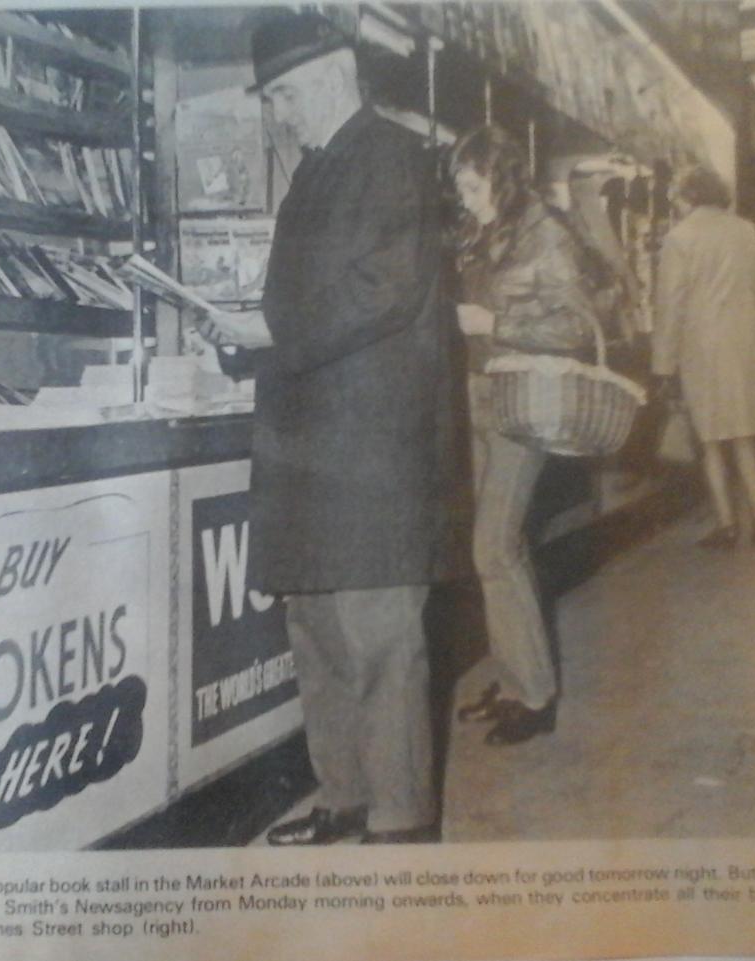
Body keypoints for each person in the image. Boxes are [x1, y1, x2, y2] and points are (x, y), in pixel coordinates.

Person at [198, 10, 461, 844]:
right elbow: (305, 305)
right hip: (313, 448)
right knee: (316, 631)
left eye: (281, 95)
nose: (277, 113)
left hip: (371, 449)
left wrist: (272, 332)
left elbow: (384, 286)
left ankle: (402, 813)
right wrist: (246, 336)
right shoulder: (317, 171)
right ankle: (344, 791)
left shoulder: (392, 157)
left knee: (381, 635)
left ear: (328, 78)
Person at [450, 125, 598, 745]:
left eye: (473, 185)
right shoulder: (479, 233)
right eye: (458, 187)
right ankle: (513, 680)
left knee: (494, 546)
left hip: (522, 404)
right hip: (479, 398)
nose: (464, 198)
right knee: (496, 552)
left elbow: (574, 327)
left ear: (502, 180)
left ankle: (536, 696)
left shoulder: (547, 235)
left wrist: (494, 320)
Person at [653, 165, 755, 548]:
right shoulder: (745, 230)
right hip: (745, 348)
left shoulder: (678, 238)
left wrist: (663, 365)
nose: (675, 205)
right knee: (745, 435)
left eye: (676, 197)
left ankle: (727, 525)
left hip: (703, 350)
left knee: (712, 441)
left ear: (689, 196)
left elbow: (671, 305)